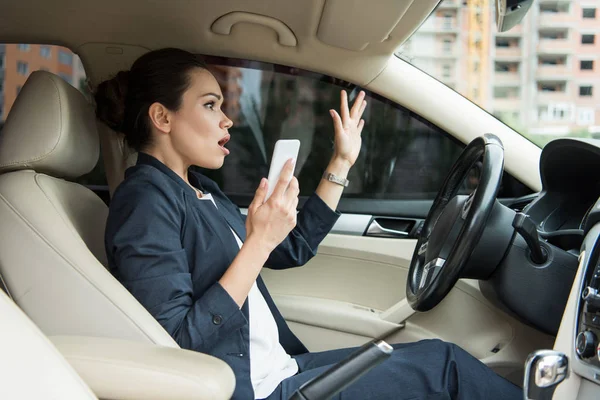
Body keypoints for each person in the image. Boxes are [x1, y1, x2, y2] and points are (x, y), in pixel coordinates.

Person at [95, 48, 521, 400]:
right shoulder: (144, 205)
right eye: (210, 105)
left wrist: (341, 162)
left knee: (429, 354)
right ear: (162, 118)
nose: (227, 119)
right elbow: (179, 342)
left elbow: (290, 247)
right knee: (444, 370)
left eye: (223, 105)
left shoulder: (198, 189)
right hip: (256, 391)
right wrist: (257, 242)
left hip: (282, 368)